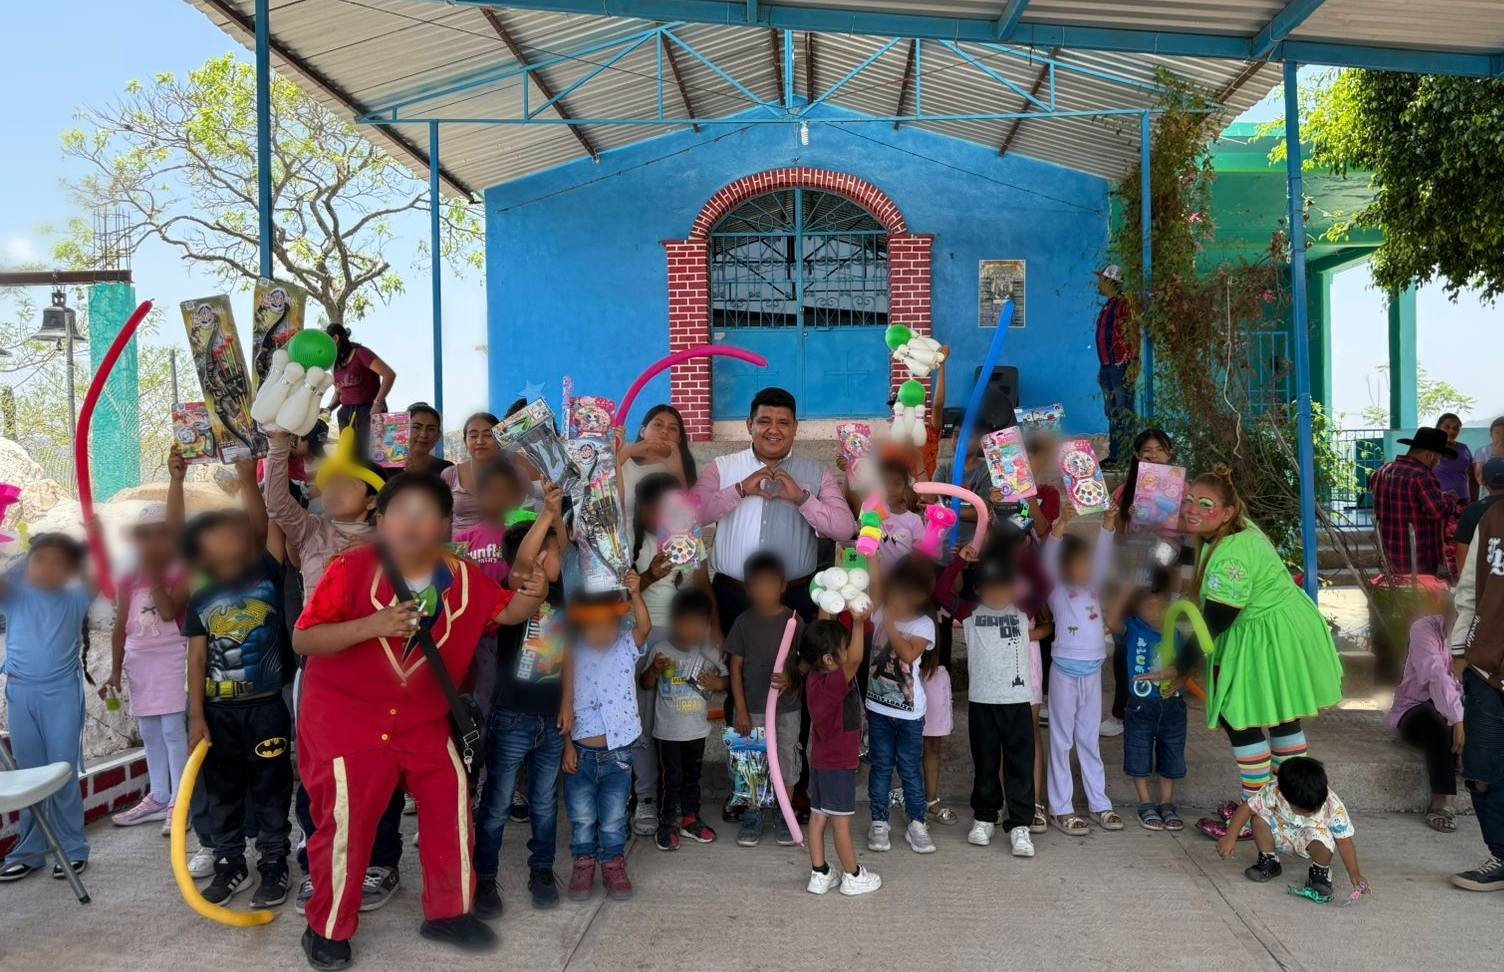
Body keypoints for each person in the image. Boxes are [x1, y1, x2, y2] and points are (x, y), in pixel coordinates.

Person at [293, 472, 546, 969]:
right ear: (380, 521)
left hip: (424, 722)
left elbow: (507, 612)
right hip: (349, 721)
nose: (412, 523)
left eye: (426, 513)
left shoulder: (465, 576)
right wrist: (372, 625)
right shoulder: (350, 569)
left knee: (451, 806)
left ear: (446, 525)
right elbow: (305, 639)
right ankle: (327, 929)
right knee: (344, 826)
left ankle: (449, 913)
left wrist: (533, 594)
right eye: (401, 512)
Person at [1181, 465, 1344, 841]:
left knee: (1240, 718)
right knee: (1281, 717)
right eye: (1189, 500)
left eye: (1205, 504)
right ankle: (1290, 809)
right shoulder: (1233, 528)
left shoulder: (1231, 555)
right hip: (1282, 628)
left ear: (1227, 512)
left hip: (1268, 634)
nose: (1192, 508)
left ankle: (1260, 813)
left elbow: (1213, 621)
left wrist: (1177, 666)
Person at [182, 460, 295, 910]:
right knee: (223, 792)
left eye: (235, 531)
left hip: (266, 706)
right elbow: (194, 657)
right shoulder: (201, 596)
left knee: (271, 788)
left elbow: (268, 522)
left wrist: (250, 477)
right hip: (217, 713)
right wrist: (195, 717)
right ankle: (231, 865)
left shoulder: (268, 571)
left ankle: (273, 864)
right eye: (216, 536)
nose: (229, 539)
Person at [473, 498, 570, 919]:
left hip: (550, 719)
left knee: (545, 803)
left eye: (555, 553)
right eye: (547, 553)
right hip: (510, 717)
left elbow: (570, 658)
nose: (555, 558)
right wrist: (546, 514)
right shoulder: (515, 591)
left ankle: (543, 871)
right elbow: (527, 558)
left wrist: (567, 706)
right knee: (495, 804)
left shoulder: (563, 596)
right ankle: (485, 877)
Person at [692, 387, 856, 632]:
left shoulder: (816, 473)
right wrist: (739, 490)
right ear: (750, 425)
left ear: (795, 427)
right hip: (733, 596)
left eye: (783, 422)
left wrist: (802, 499)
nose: (774, 430)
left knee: (791, 669)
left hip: (795, 597)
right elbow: (691, 517)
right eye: (764, 421)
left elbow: (845, 529)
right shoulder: (722, 467)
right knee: (733, 668)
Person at [0, 534, 95, 882]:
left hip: (61, 697)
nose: (48, 569)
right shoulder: (15, 597)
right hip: (21, 695)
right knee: (28, 773)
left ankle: (72, 848)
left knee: (61, 771)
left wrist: (95, 537)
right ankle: (30, 851)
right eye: (40, 560)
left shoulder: (76, 597)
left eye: (59, 563)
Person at [628, 472, 714, 836]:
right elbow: (621, 595)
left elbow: (704, 589)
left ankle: (680, 801)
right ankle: (647, 797)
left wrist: (714, 637)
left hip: (689, 638)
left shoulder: (689, 542)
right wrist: (647, 575)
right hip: (647, 637)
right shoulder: (631, 542)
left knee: (683, 716)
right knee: (647, 721)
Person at [564, 572, 651, 903]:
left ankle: (613, 862)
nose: (600, 632)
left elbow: (644, 628)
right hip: (581, 754)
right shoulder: (574, 654)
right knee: (582, 816)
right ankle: (584, 862)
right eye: (592, 625)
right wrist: (567, 746)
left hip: (619, 754)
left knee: (614, 815)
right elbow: (566, 707)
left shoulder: (626, 648)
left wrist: (636, 593)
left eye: (607, 624)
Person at [104, 503, 190, 833]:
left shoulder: (181, 572)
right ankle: (159, 795)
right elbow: (120, 624)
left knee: (172, 729)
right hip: (138, 660)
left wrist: (155, 577)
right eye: (145, 537)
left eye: (160, 535)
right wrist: (115, 670)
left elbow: (169, 614)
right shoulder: (128, 577)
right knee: (149, 731)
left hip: (170, 657)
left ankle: (180, 802)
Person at [1042, 506, 1121, 835]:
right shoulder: (1057, 591)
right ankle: (1061, 807)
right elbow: (1047, 561)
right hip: (1064, 675)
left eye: (1089, 563)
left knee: (1089, 740)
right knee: (1061, 741)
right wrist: (1062, 524)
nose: (1089, 568)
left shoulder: (1092, 589)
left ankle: (1100, 803)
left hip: (1092, 675)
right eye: (1080, 562)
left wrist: (1108, 526)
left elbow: (1103, 562)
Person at [961, 551, 1041, 856]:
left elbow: (1044, 584)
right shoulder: (970, 614)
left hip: (1017, 702)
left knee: (1020, 763)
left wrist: (1022, 554)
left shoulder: (1022, 612)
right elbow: (943, 592)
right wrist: (961, 561)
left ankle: (1020, 824)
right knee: (985, 762)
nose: (997, 593)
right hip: (982, 702)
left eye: (1004, 585)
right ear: (979, 589)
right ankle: (984, 817)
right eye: (990, 587)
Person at [724, 552, 803, 847]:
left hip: (787, 709)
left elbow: (804, 663)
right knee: (749, 765)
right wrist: (741, 710)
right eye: (757, 585)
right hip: (752, 709)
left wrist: (791, 678)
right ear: (748, 588)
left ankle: (784, 813)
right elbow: (735, 667)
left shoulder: (795, 620)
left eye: (770, 585)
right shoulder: (743, 623)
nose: (764, 591)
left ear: (782, 586)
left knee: (785, 760)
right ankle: (752, 815)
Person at [1447, 494, 1504, 891]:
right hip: (1488, 669)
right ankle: (1500, 857)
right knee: (1482, 772)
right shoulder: (1493, 515)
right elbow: (1469, 590)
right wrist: (1459, 652)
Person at [640, 588, 726, 851]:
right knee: (671, 779)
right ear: (675, 622)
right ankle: (666, 823)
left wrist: (717, 682)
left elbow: (728, 681)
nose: (693, 631)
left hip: (696, 731)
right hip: (667, 733)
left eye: (700, 625)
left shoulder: (709, 651)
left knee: (693, 777)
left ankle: (690, 818)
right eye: (687, 623)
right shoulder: (660, 649)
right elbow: (644, 684)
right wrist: (654, 670)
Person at [1106, 427, 1180, 734]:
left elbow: (1183, 539)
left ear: (1170, 454)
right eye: (1146, 451)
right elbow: (1112, 536)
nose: (1153, 456)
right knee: (1125, 644)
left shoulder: (1179, 489)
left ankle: (1161, 704)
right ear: (1137, 456)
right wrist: (1128, 517)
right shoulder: (1124, 492)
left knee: (1157, 645)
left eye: (1159, 450)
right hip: (1129, 569)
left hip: (1161, 573)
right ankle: (1121, 712)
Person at [801, 617, 881, 896]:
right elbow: (856, 659)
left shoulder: (813, 678)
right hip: (838, 765)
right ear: (828, 658)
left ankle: (820, 872)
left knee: (818, 817)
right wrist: (859, 623)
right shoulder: (832, 683)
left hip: (821, 761)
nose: (848, 653)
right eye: (843, 649)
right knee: (842, 823)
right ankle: (853, 874)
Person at [865, 557, 939, 855]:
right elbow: (874, 584)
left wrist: (890, 624)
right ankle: (879, 822)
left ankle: (916, 823)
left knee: (910, 768)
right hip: (878, 709)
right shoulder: (879, 611)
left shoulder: (923, 624)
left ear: (921, 596)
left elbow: (908, 654)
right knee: (881, 767)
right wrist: (871, 555)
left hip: (909, 714)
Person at [1109, 576, 1193, 833]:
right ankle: (1145, 802)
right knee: (1138, 750)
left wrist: (1181, 680)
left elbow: (1187, 665)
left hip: (1172, 706)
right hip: (1140, 706)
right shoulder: (1133, 628)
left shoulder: (1176, 633)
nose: (1156, 613)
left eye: (1161, 606)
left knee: (1172, 753)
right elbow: (1111, 622)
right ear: (1138, 607)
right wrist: (1126, 590)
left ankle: (1167, 802)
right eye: (1149, 607)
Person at [1220, 757, 1365, 902]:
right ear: (1284, 794)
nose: (1309, 813)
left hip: (1311, 838)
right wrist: (1230, 837)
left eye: (1315, 809)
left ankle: (1320, 873)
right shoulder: (1274, 790)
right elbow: (1247, 808)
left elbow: (1344, 841)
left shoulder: (1333, 805)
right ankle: (1269, 861)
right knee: (1258, 818)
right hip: (1281, 833)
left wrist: (1354, 873)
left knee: (1324, 840)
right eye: (1304, 810)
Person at [1387, 610, 1462, 831]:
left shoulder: (1482, 636)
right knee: (1441, 727)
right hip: (1415, 707)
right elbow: (1435, 675)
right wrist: (1458, 719)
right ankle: (1441, 800)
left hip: (1464, 707)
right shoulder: (1424, 628)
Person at [1370, 426, 1454, 577]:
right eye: (1439, 458)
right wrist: (1450, 499)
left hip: (1388, 556)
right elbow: (1437, 512)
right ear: (1430, 456)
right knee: (1419, 599)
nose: (1438, 463)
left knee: (1395, 597)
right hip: (1418, 560)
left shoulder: (1382, 471)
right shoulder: (1422, 476)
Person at [616, 403, 696, 523]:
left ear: (679, 439)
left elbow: (685, 516)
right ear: (643, 431)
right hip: (619, 539)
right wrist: (625, 453)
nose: (664, 431)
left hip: (665, 540)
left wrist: (678, 470)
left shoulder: (683, 468)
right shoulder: (622, 458)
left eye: (673, 428)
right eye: (658, 425)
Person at [324, 323, 395, 452]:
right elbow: (340, 393)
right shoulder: (334, 363)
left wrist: (378, 403)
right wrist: (328, 408)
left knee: (372, 456)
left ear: (335, 339)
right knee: (349, 456)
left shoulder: (361, 353)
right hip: (346, 414)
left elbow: (389, 375)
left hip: (368, 410)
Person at [1093, 263, 1135, 466]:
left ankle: (1126, 456)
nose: (1098, 283)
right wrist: (1102, 369)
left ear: (1110, 281)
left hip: (1121, 366)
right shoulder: (1109, 305)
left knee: (1123, 410)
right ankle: (1116, 455)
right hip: (1108, 366)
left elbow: (1133, 333)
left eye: (1101, 279)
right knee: (1112, 411)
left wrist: (1134, 363)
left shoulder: (1124, 304)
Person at [442, 412, 503, 535]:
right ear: (465, 441)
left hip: (499, 549)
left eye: (488, 435)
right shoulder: (450, 474)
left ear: (499, 438)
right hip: (459, 551)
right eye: (473, 436)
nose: (480, 441)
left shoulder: (514, 475)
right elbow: (443, 519)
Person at [1454, 457, 1504, 569]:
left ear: (1484, 481)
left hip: (1485, 578)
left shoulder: (1473, 510)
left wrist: (1465, 583)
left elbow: (1462, 552)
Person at [1434, 412, 1476, 506]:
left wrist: (1474, 500)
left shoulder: (1464, 448)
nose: (1451, 431)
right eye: (1447, 427)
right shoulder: (1431, 449)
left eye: (1456, 428)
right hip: (1440, 498)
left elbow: (1472, 477)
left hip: (1464, 498)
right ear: (1438, 428)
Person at [404, 403, 452, 476]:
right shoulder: (387, 468)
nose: (423, 435)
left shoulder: (447, 470)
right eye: (417, 427)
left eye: (431, 429)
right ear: (403, 431)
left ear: (438, 436)